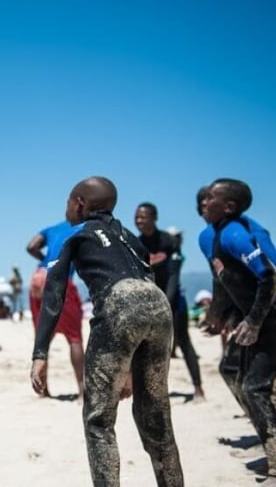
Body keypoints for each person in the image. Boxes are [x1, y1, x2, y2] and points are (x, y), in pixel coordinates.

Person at [31, 176, 183, 487]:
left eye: (67, 203)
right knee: (156, 417)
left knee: (99, 420)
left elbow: (53, 293)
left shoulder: (74, 235)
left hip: (118, 303)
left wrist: (40, 353)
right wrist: (127, 366)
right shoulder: (130, 237)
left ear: (79, 204)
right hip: (157, 304)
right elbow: (146, 281)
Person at [199, 178, 276, 483]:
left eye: (211, 198)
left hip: (275, 315)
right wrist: (217, 316)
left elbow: (268, 275)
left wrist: (253, 322)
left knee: (256, 387)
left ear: (228, 207)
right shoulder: (215, 235)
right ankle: (268, 441)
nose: (204, 201)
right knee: (230, 370)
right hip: (255, 315)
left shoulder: (234, 235)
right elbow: (224, 281)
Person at [135, 203, 205, 402]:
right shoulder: (137, 244)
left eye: (143, 217)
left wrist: (165, 302)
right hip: (149, 301)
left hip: (173, 300)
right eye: (137, 217)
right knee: (148, 347)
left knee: (183, 341)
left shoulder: (169, 241)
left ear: (154, 218)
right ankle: (152, 390)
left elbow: (174, 274)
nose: (139, 221)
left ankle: (199, 389)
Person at [26, 220, 85, 400]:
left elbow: (31, 246)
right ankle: (83, 392)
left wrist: (44, 259)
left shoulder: (52, 228)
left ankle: (43, 390)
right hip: (60, 277)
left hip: (38, 277)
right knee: (74, 338)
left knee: (43, 336)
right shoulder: (84, 228)